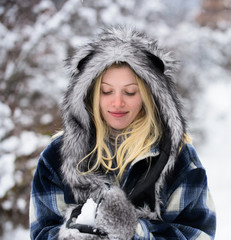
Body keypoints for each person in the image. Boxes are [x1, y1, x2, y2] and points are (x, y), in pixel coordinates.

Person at [30, 26, 216, 240]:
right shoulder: (57, 157)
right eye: (106, 91)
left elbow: (197, 235)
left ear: (149, 96)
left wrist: (134, 231)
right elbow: (42, 232)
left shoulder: (178, 158)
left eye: (130, 92)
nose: (117, 102)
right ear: (89, 94)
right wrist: (75, 234)